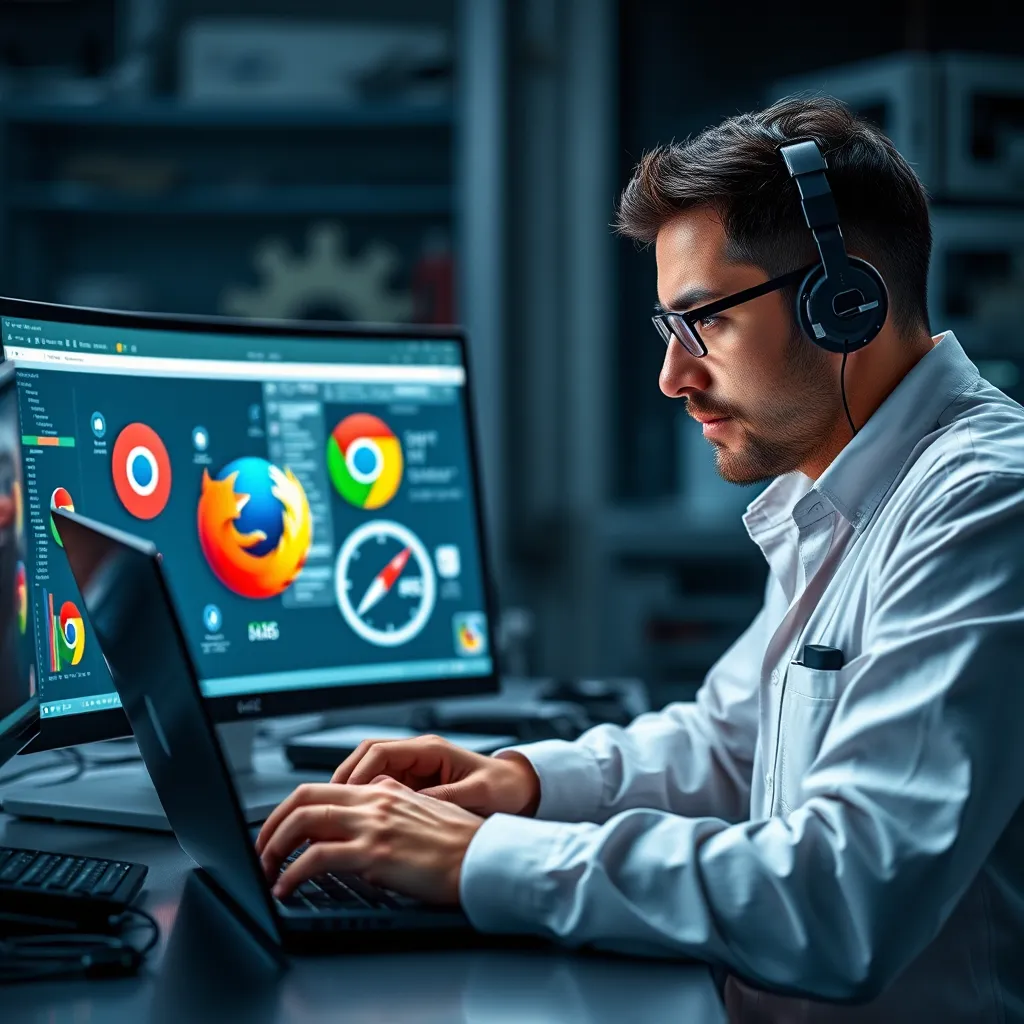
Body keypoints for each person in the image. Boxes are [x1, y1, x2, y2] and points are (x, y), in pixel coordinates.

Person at [256, 97, 1024, 1021]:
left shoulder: (986, 502)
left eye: (704, 324)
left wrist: (478, 859)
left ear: (843, 304)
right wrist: (522, 783)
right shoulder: (839, 494)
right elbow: (733, 746)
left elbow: (848, 897)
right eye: (669, 331)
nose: (674, 378)